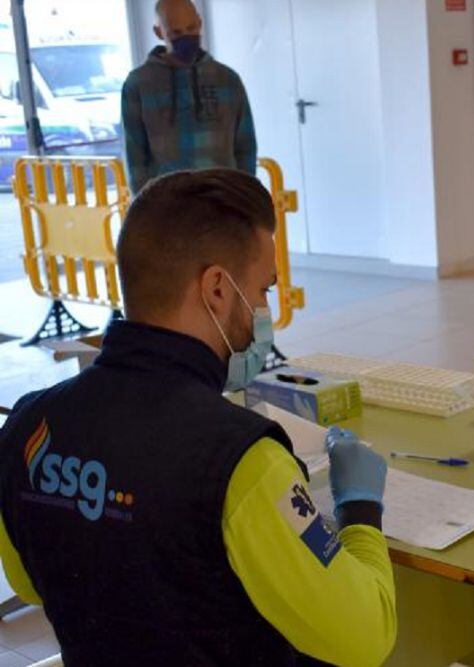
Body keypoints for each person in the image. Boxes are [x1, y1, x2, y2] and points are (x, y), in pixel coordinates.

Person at [0, 170, 396, 665]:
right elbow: (364, 637)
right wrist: (360, 510)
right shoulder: (241, 460)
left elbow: (30, 585)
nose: (261, 309)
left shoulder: (26, 427)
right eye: (262, 289)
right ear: (216, 288)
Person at [122, 0, 257, 193]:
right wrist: (146, 209)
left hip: (223, 199)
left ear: (200, 23)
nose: (186, 36)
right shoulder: (139, 85)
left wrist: (245, 197)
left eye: (191, 27)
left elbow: (245, 147)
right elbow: (135, 155)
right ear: (159, 32)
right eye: (175, 32)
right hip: (169, 203)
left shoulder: (227, 80)